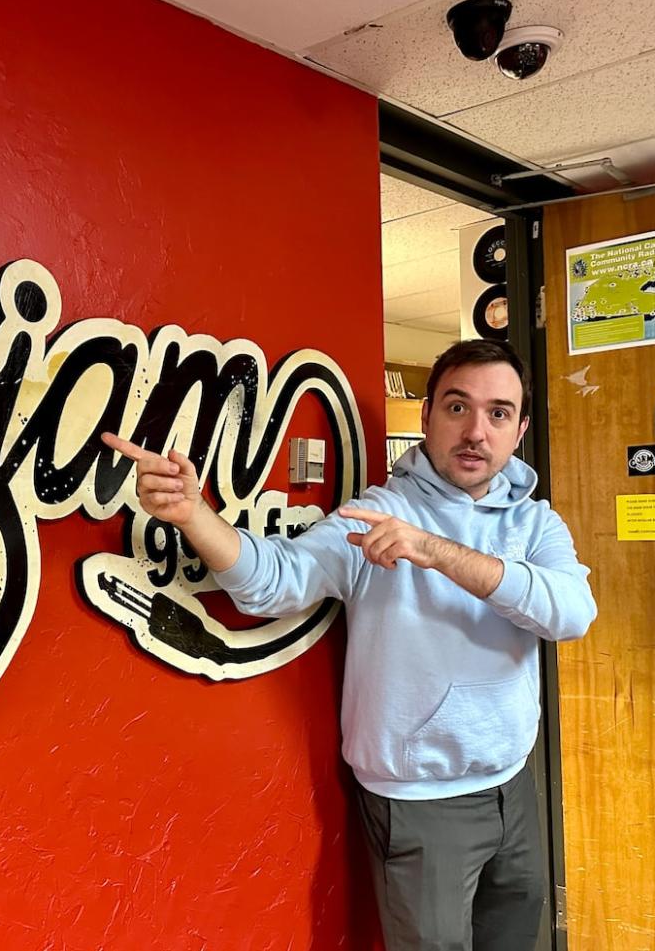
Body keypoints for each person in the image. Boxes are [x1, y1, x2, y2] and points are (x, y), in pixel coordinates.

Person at [101, 339, 596, 951]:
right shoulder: (375, 518)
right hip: (420, 802)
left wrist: (435, 552)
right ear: (426, 417)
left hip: (514, 783)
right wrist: (193, 513)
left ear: (518, 429)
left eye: (497, 414)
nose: (476, 431)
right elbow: (271, 582)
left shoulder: (536, 523)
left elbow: (571, 614)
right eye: (457, 407)